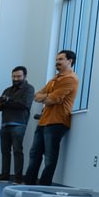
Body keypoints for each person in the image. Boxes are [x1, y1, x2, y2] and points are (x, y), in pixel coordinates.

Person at [23, 50, 79, 186]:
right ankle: (28, 185)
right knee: (34, 154)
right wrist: (47, 97)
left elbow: (52, 99)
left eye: (60, 59)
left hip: (57, 122)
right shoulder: (55, 79)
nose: (57, 62)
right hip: (44, 121)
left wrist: (47, 97)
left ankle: (44, 187)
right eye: (56, 60)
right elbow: (37, 95)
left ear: (70, 61)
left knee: (50, 158)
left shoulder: (70, 79)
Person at [0, 66, 35, 183]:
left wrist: (8, 101)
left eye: (18, 76)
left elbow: (24, 105)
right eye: (14, 76)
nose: (16, 79)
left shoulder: (29, 89)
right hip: (5, 124)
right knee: (5, 151)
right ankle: (4, 176)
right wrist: (0, 102)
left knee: (17, 151)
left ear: (25, 76)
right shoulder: (7, 90)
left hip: (19, 124)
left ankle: (17, 178)